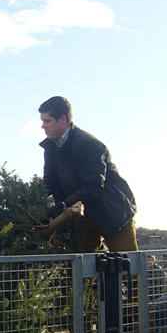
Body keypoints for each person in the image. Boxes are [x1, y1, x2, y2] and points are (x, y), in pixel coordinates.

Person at [38, 96, 137, 252]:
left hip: (114, 214)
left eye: (47, 121)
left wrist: (63, 205)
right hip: (82, 216)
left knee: (129, 267)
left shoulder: (90, 145)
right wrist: (49, 210)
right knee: (81, 269)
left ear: (63, 119)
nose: (42, 126)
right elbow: (50, 183)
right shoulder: (50, 148)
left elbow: (93, 187)